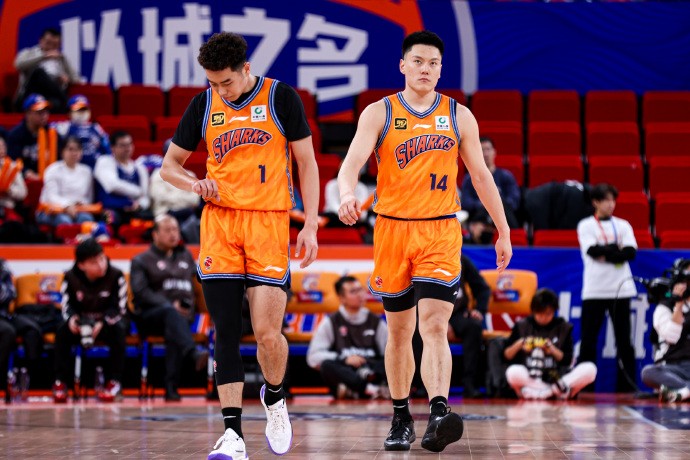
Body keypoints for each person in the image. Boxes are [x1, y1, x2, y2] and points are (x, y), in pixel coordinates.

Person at [337, 30, 512, 453]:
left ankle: (437, 413)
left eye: (433, 63)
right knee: (399, 332)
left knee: (434, 325)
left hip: (440, 230)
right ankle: (401, 417)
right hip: (392, 230)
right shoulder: (379, 112)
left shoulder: (458, 115)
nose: (425, 69)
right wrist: (346, 195)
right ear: (403, 65)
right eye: (417, 61)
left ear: (441, 69)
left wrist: (503, 229)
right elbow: (351, 164)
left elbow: (481, 176)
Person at [159, 32, 319, 459]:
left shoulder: (280, 97)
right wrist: (194, 183)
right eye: (212, 82)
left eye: (226, 82)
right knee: (225, 332)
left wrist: (311, 224)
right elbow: (168, 167)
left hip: (268, 222)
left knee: (267, 334)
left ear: (246, 69)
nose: (220, 89)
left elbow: (307, 162)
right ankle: (232, 434)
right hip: (221, 224)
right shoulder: (204, 104)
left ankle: (275, 397)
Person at [130, 214, 208, 401]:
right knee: (171, 315)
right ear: (155, 234)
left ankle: (171, 389)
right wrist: (169, 305)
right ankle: (192, 353)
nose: (173, 234)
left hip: (181, 317)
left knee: (175, 325)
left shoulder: (185, 255)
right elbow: (140, 293)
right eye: (167, 230)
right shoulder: (141, 260)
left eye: (175, 229)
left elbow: (198, 285)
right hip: (150, 316)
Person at [577, 183, 637, 392]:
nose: (611, 204)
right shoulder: (586, 225)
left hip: (621, 290)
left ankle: (627, 387)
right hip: (594, 290)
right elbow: (592, 251)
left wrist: (607, 252)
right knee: (588, 340)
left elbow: (630, 253)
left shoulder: (623, 225)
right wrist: (615, 250)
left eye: (613, 200)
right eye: (606, 200)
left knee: (624, 341)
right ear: (595, 202)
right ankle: (584, 386)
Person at [53, 239, 127, 403]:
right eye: (94, 262)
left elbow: (120, 308)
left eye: (102, 259)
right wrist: (72, 319)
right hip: (81, 324)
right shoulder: (70, 277)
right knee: (62, 330)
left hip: (106, 323)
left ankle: (114, 382)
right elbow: (66, 306)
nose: (100, 265)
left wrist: (103, 322)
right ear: (81, 265)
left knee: (119, 329)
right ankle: (60, 383)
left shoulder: (116, 275)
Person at [504, 288, 597, 399]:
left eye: (548, 314)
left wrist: (552, 350)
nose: (543, 318)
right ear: (533, 311)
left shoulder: (563, 327)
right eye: (540, 313)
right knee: (512, 372)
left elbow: (568, 360)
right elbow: (507, 356)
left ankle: (544, 392)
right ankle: (557, 392)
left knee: (590, 369)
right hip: (531, 378)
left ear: (554, 311)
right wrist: (520, 344)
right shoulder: (522, 325)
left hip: (557, 377)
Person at [306, 276, 388, 399]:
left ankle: (354, 390)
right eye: (353, 291)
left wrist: (372, 366)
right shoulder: (331, 322)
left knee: (393, 359)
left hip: (371, 370)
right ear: (341, 298)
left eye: (360, 289)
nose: (360, 294)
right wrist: (344, 359)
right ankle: (370, 390)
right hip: (347, 371)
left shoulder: (376, 321)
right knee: (327, 365)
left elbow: (389, 353)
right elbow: (313, 357)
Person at [641, 260, 690, 402]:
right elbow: (671, 337)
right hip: (672, 366)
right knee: (648, 373)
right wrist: (678, 304)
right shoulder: (664, 307)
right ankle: (685, 390)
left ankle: (683, 392)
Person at [448, 253, 491, 398]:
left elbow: (482, 288)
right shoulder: (424, 256)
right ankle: (420, 385)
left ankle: (470, 384)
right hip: (429, 313)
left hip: (457, 314)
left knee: (473, 327)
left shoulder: (461, 259)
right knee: (415, 328)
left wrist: (479, 310)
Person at [0, 259, 43, 399]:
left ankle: (32, 381)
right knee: (8, 332)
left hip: (5, 314)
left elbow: (10, 293)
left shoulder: (2, 266)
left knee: (32, 328)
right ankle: (3, 382)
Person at [13, 28, 80, 113]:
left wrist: (67, 79)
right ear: (41, 41)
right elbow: (18, 65)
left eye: (55, 45)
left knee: (57, 104)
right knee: (39, 72)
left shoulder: (61, 59)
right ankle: (67, 102)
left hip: (50, 96)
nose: (51, 47)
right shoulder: (29, 53)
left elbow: (76, 79)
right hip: (29, 95)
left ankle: (65, 103)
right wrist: (44, 56)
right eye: (48, 43)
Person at [94, 131, 151, 226]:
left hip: (134, 211)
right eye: (122, 145)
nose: (127, 148)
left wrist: (139, 205)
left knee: (150, 220)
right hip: (111, 209)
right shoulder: (105, 162)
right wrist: (137, 192)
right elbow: (112, 186)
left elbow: (145, 196)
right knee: (110, 218)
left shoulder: (140, 168)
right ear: (112, 148)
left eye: (129, 144)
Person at [461, 137, 520, 228]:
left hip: (504, 219)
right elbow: (466, 202)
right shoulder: (469, 178)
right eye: (482, 150)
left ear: (494, 152)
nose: (485, 154)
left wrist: (492, 205)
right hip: (478, 219)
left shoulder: (506, 176)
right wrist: (484, 205)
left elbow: (514, 201)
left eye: (488, 149)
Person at [36, 136, 96, 226]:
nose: (74, 153)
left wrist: (81, 203)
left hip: (78, 210)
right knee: (65, 220)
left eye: (77, 150)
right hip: (51, 210)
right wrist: (67, 206)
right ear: (62, 152)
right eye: (70, 149)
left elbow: (89, 197)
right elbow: (51, 196)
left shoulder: (87, 171)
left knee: (86, 219)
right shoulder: (52, 170)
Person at [52, 95, 111, 169]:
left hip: (94, 167)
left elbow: (107, 148)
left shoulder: (96, 128)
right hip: (72, 167)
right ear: (69, 112)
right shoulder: (64, 127)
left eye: (84, 109)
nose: (82, 113)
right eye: (78, 110)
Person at [149, 139, 201, 222]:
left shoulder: (191, 175)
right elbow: (160, 197)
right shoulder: (157, 175)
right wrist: (184, 198)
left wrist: (171, 198)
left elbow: (195, 200)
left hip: (187, 215)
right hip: (165, 215)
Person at [7, 94, 51, 178]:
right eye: (39, 112)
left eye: (46, 111)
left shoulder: (52, 133)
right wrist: (26, 172)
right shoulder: (15, 135)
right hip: (23, 179)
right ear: (28, 114)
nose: (44, 116)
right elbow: (12, 160)